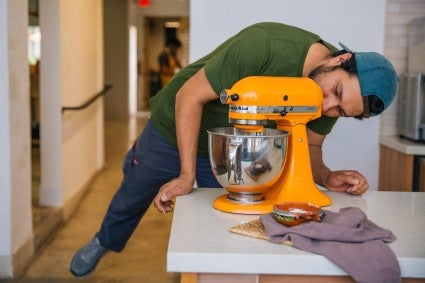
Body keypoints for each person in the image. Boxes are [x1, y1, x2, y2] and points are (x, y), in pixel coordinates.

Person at [69, 22, 398, 277]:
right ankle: (104, 239)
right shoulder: (266, 45)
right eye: (336, 90)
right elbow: (189, 96)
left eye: (341, 110)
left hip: (231, 147)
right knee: (135, 191)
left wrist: (327, 175)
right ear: (340, 59)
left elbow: (310, 145)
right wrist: (186, 175)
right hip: (175, 126)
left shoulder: (330, 103)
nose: (328, 105)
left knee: (225, 224)